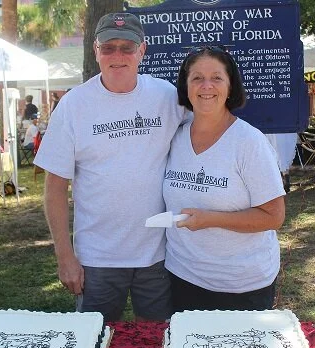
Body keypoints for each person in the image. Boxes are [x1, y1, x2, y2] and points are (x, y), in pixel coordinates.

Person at [34, 12, 185, 322]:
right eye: (108, 47)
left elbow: (206, 134)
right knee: (94, 341)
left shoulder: (167, 97)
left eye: (127, 47)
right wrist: (65, 256)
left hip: (159, 256)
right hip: (97, 259)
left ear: (142, 50)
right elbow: (55, 188)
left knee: (160, 341)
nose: (118, 56)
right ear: (95, 50)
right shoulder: (74, 105)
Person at [163, 46, 286, 312]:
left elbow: (274, 217)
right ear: (185, 87)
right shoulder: (174, 137)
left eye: (216, 78)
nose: (206, 86)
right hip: (182, 277)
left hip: (241, 285)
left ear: (230, 87)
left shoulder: (249, 142)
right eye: (197, 78)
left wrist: (211, 219)